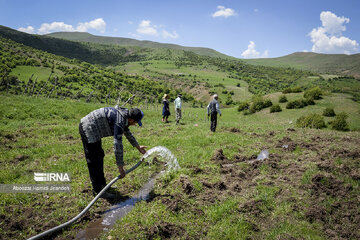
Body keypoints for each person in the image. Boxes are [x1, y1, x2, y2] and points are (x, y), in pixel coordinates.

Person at [79, 107, 147, 200]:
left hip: (94, 129)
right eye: (135, 122)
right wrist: (120, 167)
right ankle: (98, 190)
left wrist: (138, 147)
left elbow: (128, 133)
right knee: (94, 159)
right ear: (131, 119)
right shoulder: (120, 121)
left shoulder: (125, 116)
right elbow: (117, 145)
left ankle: (103, 185)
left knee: (99, 155)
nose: (135, 124)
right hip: (87, 128)